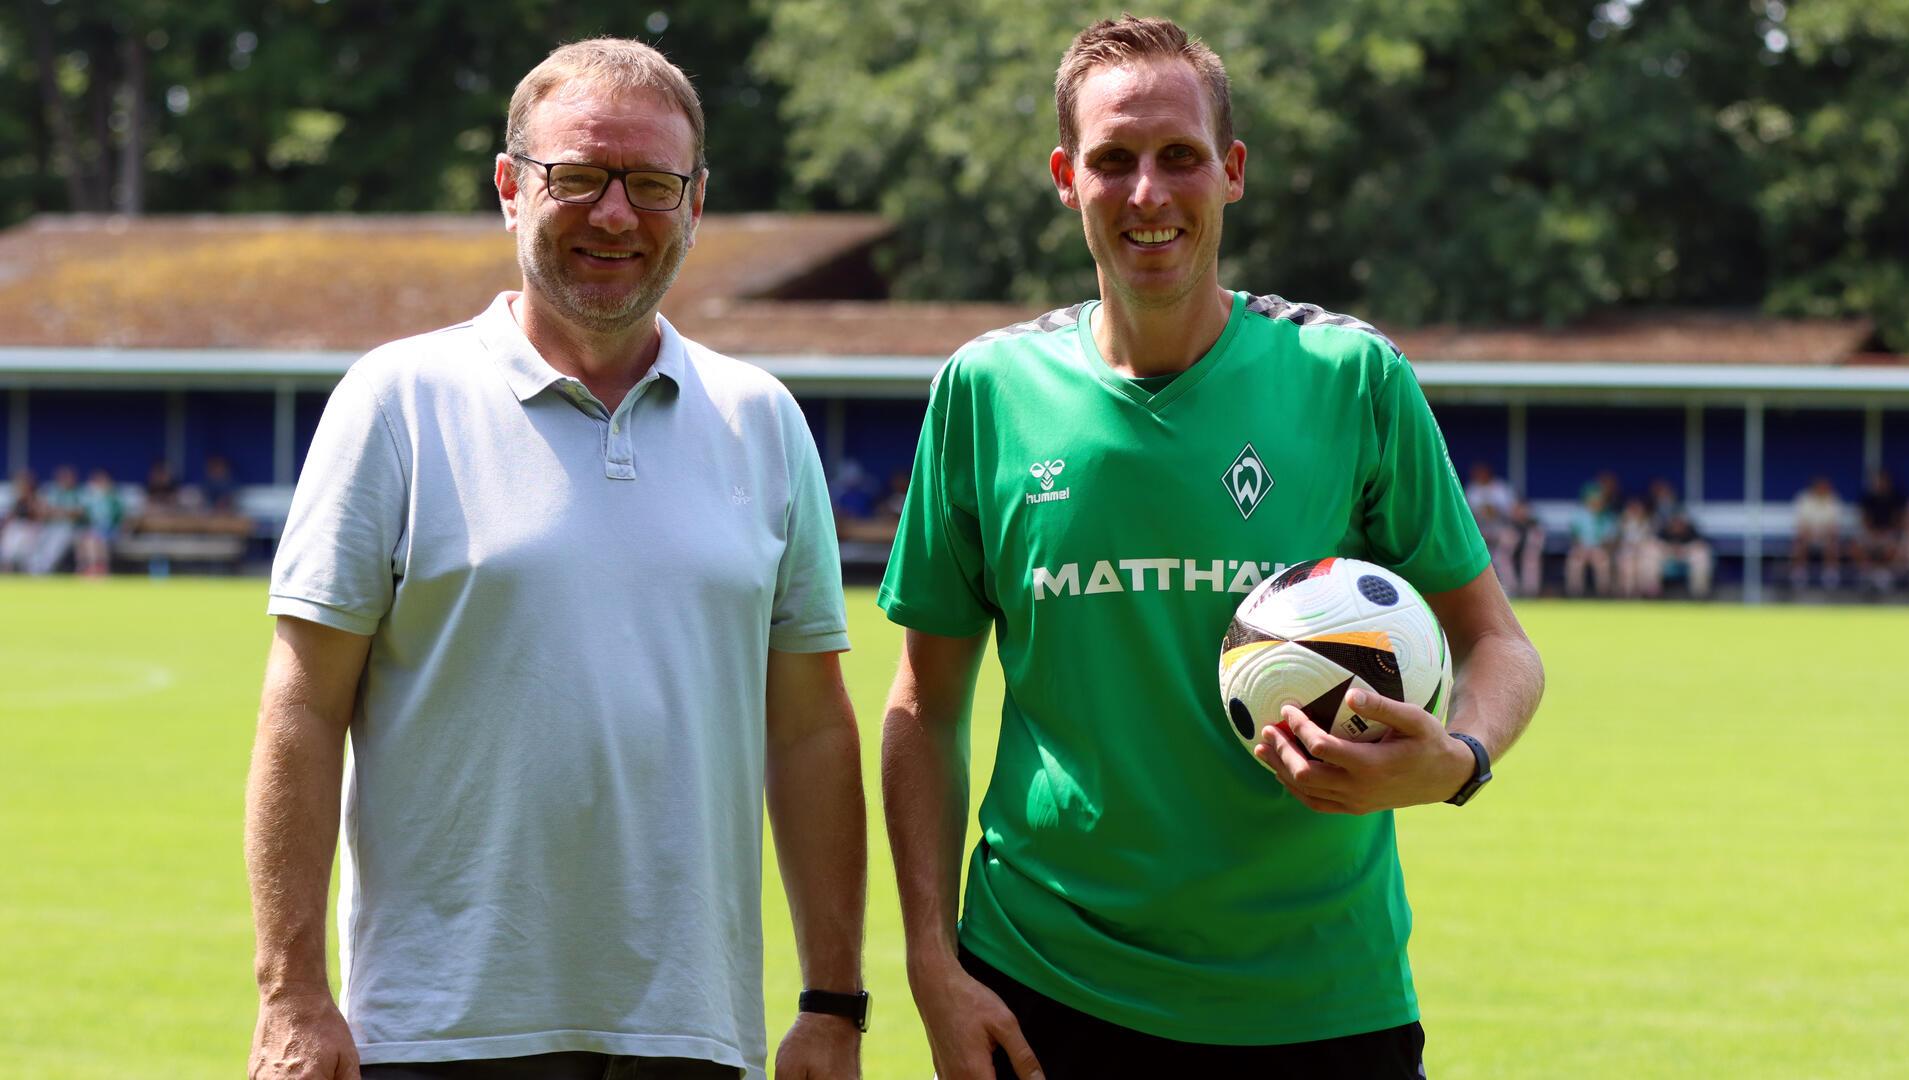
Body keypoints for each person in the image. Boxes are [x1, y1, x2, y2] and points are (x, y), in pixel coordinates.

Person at [877, 16, 1544, 1080]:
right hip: (1043, 988)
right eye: (1113, 161)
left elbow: (1497, 644)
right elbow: (925, 702)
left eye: (1180, 157)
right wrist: (929, 962)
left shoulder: (1349, 377)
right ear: (1065, 177)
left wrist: (1454, 760)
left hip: (1320, 996)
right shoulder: (987, 394)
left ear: (1231, 173)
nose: (1148, 193)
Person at [245, 39, 866, 1080]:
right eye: (576, 178)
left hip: (693, 1032)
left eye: (653, 185)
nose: (616, 215)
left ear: (696, 201)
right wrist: (293, 995)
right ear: (509, 187)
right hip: (441, 1031)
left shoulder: (761, 420)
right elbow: (302, 710)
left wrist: (833, 1002)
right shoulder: (398, 402)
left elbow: (808, 732)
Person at [1852, 468, 1903, 594]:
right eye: (1878, 481)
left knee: (1893, 547)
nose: (1880, 484)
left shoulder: (1895, 497)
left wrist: (1887, 532)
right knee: (1855, 546)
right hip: (1871, 533)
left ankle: (1883, 577)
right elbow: (1865, 519)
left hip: (1889, 533)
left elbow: (1898, 519)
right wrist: (1872, 532)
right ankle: (1867, 575)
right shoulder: (1868, 498)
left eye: (1883, 481)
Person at [1789, 475, 1844, 589]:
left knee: (1833, 543)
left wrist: (1823, 535)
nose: (1822, 489)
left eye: (1825, 487)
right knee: (1799, 543)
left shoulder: (1833, 500)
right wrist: (1811, 534)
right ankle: (1799, 576)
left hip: (1826, 537)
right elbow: (1801, 524)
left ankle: (1830, 576)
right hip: (1808, 536)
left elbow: (1834, 526)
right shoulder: (1804, 499)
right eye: (1820, 487)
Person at [1563, 486, 1617, 597]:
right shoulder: (1579, 515)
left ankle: (1603, 594)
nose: (1595, 503)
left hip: (1599, 550)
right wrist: (1582, 548)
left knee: (1602, 562)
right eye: (1593, 500)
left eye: (1598, 500)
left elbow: (1611, 540)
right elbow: (1574, 536)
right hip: (1581, 549)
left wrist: (1598, 549)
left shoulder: (1607, 516)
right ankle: (1574, 594)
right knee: (1575, 562)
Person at [74, 467, 124, 576]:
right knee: (87, 539)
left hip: (111, 532)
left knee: (94, 539)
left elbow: (118, 519)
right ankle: (86, 568)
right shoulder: (89, 499)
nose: (99, 484)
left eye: (102, 481)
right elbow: (84, 518)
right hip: (92, 532)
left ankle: (99, 569)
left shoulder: (115, 499)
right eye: (96, 481)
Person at [0, 468, 42, 572]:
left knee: (25, 551)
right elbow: (9, 517)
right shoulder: (13, 497)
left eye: (25, 483)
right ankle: (6, 569)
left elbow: (38, 517)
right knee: (8, 547)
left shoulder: (36, 497)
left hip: (30, 528)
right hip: (15, 528)